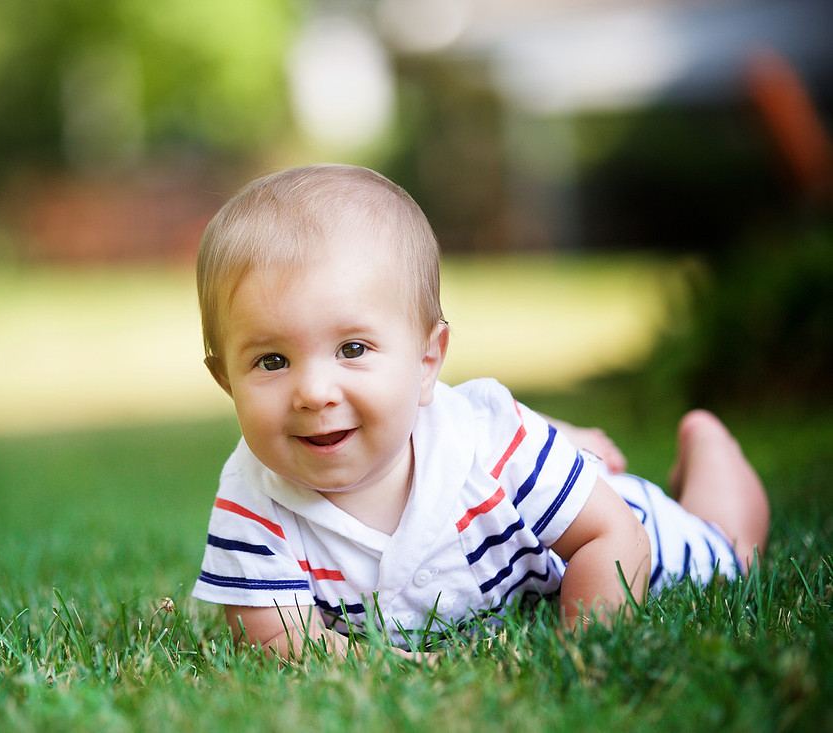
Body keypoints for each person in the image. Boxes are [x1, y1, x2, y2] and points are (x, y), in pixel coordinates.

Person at [190, 164, 770, 659]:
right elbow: (277, 639)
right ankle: (578, 453)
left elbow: (612, 536)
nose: (314, 392)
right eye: (271, 361)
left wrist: (584, 651)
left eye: (353, 349)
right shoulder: (252, 500)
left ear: (425, 361)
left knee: (731, 552)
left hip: (625, 531)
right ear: (226, 381)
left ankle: (707, 447)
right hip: (537, 495)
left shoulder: (488, 444)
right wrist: (397, 671)